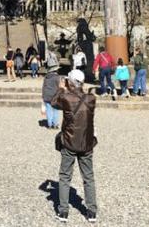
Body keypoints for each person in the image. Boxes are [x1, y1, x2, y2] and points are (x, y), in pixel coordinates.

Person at [51, 69, 98, 223]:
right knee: (88, 177)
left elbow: (53, 102)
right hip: (86, 143)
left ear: (70, 81)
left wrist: (61, 88)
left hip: (69, 142)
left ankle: (63, 211)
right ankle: (91, 211)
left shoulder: (66, 97)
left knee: (65, 176)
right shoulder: (91, 99)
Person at [42, 64, 61, 129]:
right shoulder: (57, 77)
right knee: (55, 110)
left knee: (49, 110)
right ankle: (55, 124)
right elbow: (59, 87)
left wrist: (43, 95)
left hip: (47, 95)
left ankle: (49, 124)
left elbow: (44, 86)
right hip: (54, 95)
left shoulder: (46, 77)